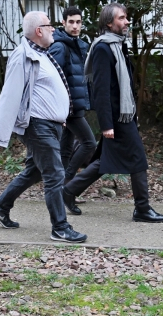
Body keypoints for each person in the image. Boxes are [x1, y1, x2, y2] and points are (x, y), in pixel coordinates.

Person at [0, 11, 87, 243]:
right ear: (39, 30)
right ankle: (60, 227)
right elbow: (9, 95)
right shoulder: (22, 55)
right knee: (54, 173)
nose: (54, 28)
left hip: (51, 125)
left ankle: (0, 207)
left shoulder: (41, 54)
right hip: (37, 126)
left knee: (35, 171)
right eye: (50, 25)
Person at [62, 3, 163, 223]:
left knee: (105, 161)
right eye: (121, 18)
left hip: (123, 114)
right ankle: (142, 208)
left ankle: (69, 191)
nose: (127, 21)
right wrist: (106, 124)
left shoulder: (118, 44)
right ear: (109, 23)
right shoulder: (103, 48)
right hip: (117, 118)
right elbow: (100, 90)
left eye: (126, 17)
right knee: (138, 158)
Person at [49, 6, 96, 185]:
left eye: (78, 22)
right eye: (71, 22)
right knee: (89, 143)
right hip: (69, 108)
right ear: (63, 23)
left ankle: (62, 189)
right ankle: (69, 183)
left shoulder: (78, 46)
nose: (75, 26)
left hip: (74, 106)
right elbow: (52, 79)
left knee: (66, 149)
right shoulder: (60, 47)